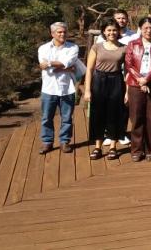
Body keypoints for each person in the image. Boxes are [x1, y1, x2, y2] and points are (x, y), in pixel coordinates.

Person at [125, 17, 151, 161]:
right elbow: (129, 64)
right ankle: (137, 149)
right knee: (136, 118)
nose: (148, 30)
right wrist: (140, 80)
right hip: (135, 85)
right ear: (140, 29)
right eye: (145, 28)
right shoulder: (132, 44)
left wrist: (147, 79)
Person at [84, 19, 126, 160]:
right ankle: (98, 147)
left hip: (116, 81)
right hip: (99, 81)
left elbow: (127, 71)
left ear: (118, 31)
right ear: (103, 31)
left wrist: (127, 92)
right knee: (98, 114)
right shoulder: (97, 47)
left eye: (114, 30)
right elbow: (89, 69)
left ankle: (113, 146)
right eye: (108, 30)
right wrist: (87, 90)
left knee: (114, 113)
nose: (112, 33)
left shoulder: (124, 48)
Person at [37, 22, 79, 154]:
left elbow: (68, 62)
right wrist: (65, 67)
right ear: (52, 34)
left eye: (64, 32)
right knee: (46, 117)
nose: (62, 34)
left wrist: (51, 63)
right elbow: (43, 65)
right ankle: (47, 142)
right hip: (49, 88)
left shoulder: (73, 47)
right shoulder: (43, 48)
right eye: (59, 32)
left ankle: (64, 141)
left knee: (67, 117)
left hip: (67, 88)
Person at [98, 9, 134, 147]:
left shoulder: (133, 36)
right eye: (118, 18)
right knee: (107, 106)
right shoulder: (104, 36)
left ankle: (122, 132)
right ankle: (109, 133)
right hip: (107, 75)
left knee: (123, 106)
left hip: (125, 74)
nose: (121, 20)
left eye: (124, 18)